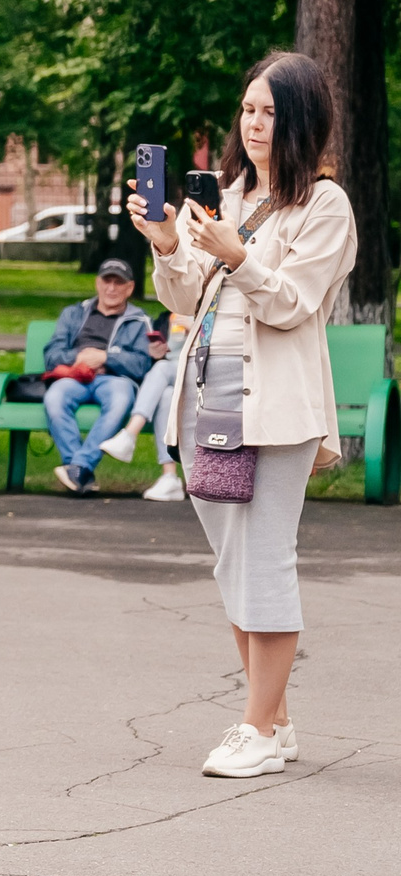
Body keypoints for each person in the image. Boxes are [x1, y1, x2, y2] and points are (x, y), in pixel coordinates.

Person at [130, 50, 356, 779]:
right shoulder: (228, 195)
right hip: (209, 395)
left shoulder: (325, 205)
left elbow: (294, 303)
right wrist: (169, 243)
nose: (255, 124)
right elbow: (185, 297)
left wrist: (237, 257)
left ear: (301, 122)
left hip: (276, 406)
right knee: (233, 562)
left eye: (271, 113)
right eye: (249, 109)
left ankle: (255, 728)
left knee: (266, 558)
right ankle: (277, 721)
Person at [40, 258, 154, 495]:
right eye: (106, 281)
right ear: (97, 283)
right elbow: (51, 355)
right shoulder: (74, 313)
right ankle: (80, 471)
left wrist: (105, 358)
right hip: (75, 377)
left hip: (115, 380)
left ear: (130, 288)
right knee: (55, 397)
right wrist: (80, 357)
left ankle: (78, 467)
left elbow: (142, 364)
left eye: (118, 283)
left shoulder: (139, 321)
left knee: (121, 400)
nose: (111, 288)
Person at [99, 308, 184, 501]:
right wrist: (155, 353)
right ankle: (170, 477)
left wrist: (196, 327)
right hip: (174, 380)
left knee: (162, 368)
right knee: (166, 395)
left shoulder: (209, 312)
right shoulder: (166, 318)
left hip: (201, 376)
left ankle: (129, 434)